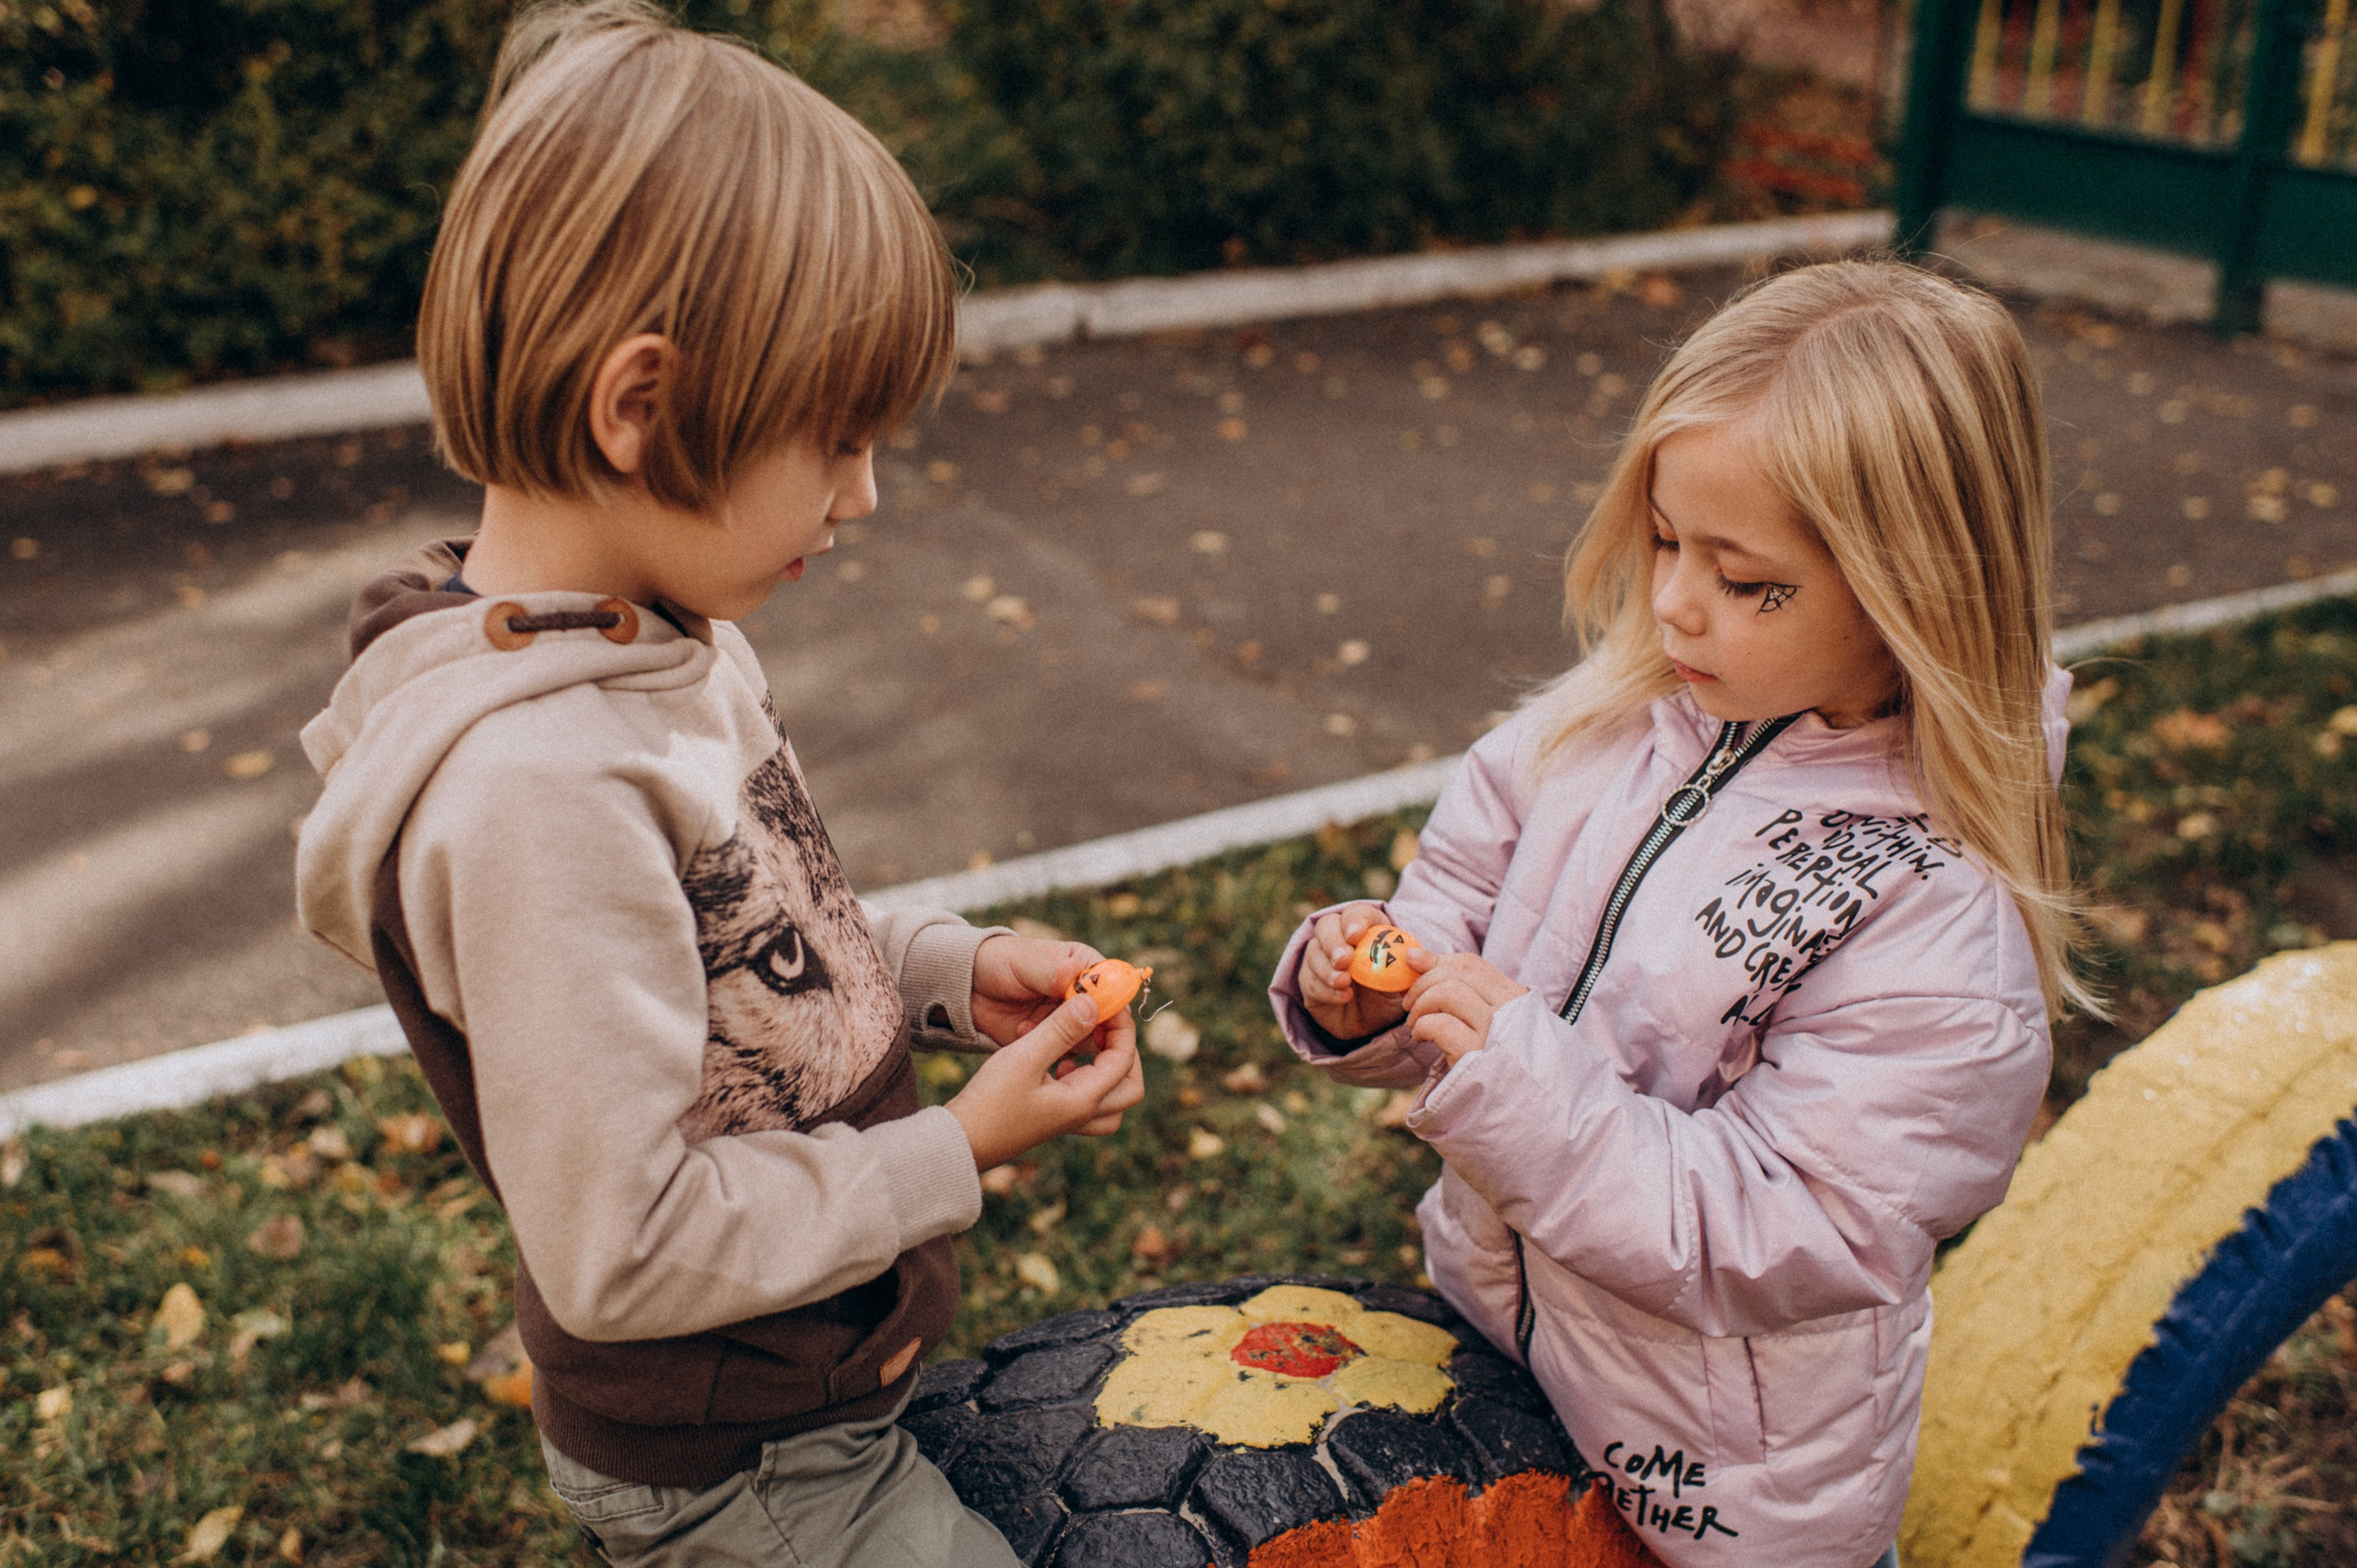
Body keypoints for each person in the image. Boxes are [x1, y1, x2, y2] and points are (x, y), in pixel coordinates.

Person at [293, 5, 1144, 1562]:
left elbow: (753, 942)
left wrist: (948, 976)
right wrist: (957, 1150)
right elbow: (623, 1251)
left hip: (812, 1392)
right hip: (741, 1471)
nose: (865, 493)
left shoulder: (659, 640)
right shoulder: (538, 790)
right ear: (640, 407)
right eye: (832, 441)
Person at [1271, 260, 2084, 1568]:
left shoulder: (1934, 913)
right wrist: (1372, 989)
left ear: (1916, 592)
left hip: (1726, 1500)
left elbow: (1792, 1224)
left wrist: (1523, 1092)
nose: (1672, 604)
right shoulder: (1610, 721)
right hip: (1502, 1350)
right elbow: (1455, 907)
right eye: (1663, 541)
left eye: (1750, 581)